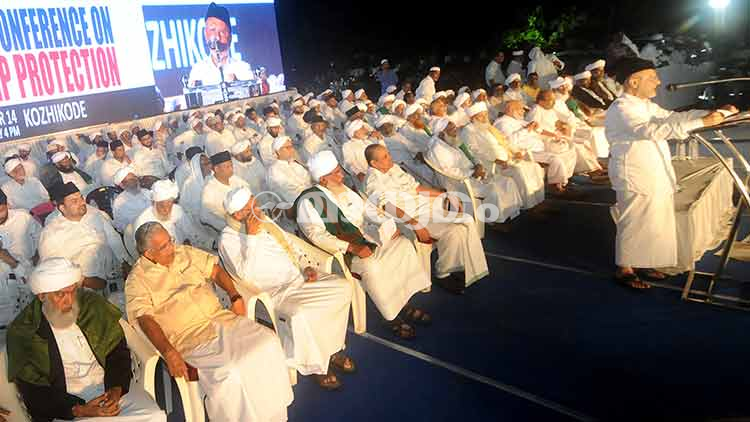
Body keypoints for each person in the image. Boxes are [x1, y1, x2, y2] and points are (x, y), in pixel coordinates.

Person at [125, 222, 293, 421]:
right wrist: (169, 352)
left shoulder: (184, 252)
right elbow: (144, 319)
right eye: (164, 246)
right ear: (148, 254)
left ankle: (273, 414)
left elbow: (215, 271)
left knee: (268, 342)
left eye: (170, 240)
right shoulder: (137, 280)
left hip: (221, 320)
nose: (171, 247)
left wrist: (235, 296)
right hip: (189, 338)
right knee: (230, 373)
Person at [605, 57, 730, 289]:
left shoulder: (646, 106)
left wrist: (710, 113)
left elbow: (672, 118)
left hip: (654, 170)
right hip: (635, 173)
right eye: (652, 78)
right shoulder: (621, 108)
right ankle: (625, 268)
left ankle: (644, 261)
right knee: (634, 221)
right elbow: (651, 130)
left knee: (654, 221)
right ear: (633, 82)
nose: (658, 82)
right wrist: (701, 122)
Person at [219, 186, 355, 390]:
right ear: (237, 215)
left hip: (299, 278)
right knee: (301, 314)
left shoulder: (264, 219)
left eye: (255, 203)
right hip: (275, 291)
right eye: (250, 209)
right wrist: (252, 237)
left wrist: (305, 265)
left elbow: (290, 244)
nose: (257, 210)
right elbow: (244, 275)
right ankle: (316, 367)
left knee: (343, 287)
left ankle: (332, 349)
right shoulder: (227, 239)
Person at [7, 258, 166, 422]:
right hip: (66, 405)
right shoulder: (24, 330)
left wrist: (116, 388)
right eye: (60, 294)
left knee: (154, 416)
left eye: (72, 291)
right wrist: (78, 410)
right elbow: (32, 390)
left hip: (108, 388)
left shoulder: (92, 305)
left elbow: (117, 351)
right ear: (41, 296)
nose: (69, 300)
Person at [296, 151, 432, 339]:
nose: (341, 175)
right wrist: (351, 248)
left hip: (366, 237)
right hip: (342, 251)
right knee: (372, 267)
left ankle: (402, 303)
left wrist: (387, 224)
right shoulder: (310, 200)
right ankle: (391, 317)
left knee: (403, 245)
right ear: (323, 179)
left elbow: (367, 210)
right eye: (336, 172)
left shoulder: (343, 188)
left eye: (339, 170)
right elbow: (316, 235)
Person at [364, 144, 488, 294]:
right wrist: (414, 223)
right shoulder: (373, 179)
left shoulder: (394, 168)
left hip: (426, 208)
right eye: (385, 157)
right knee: (455, 229)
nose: (390, 158)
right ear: (374, 163)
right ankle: (443, 274)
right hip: (409, 218)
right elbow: (386, 206)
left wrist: (446, 194)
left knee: (464, 223)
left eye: (388, 154)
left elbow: (416, 188)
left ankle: (448, 268)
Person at [426, 118, 523, 226]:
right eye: (452, 130)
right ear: (441, 133)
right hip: (459, 182)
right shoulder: (437, 149)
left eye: (455, 128)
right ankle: (495, 221)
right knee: (493, 190)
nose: (456, 131)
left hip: (473, 173)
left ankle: (510, 214)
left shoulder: (451, 140)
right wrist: (472, 173)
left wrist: (478, 165)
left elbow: (470, 155)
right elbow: (448, 171)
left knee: (508, 182)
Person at [39, 182, 129, 291]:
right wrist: (84, 281)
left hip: (113, 277)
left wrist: (125, 263)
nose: (82, 203)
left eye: (81, 198)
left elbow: (114, 240)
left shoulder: (95, 216)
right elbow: (51, 268)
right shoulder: (51, 233)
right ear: (62, 208)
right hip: (84, 287)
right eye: (74, 201)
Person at [460, 102, 545, 210]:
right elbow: (474, 152)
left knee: (534, 167)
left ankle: (536, 199)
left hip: (507, 158)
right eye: (481, 116)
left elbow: (505, 141)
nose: (485, 118)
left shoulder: (488, 127)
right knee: (518, 171)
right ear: (473, 118)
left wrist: (516, 151)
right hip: (491, 164)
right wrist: (495, 160)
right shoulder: (468, 131)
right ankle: (527, 204)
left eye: (486, 114)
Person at [495, 100, 577, 193]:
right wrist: (526, 129)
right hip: (525, 152)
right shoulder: (502, 123)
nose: (523, 111)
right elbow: (510, 142)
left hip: (539, 147)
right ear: (511, 109)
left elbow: (540, 130)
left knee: (567, 149)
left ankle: (563, 180)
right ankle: (555, 186)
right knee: (555, 159)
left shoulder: (518, 120)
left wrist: (554, 135)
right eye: (520, 109)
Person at [527, 90, 604, 177]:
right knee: (576, 147)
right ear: (541, 101)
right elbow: (534, 128)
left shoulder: (549, 109)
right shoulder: (536, 110)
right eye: (551, 100)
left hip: (557, 136)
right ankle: (591, 171)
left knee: (583, 144)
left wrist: (562, 126)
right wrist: (553, 134)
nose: (554, 103)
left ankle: (594, 167)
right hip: (545, 140)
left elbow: (557, 122)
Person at [131, 180, 213, 255]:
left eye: (169, 204)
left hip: (185, 250)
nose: (166, 209)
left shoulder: (177, 210)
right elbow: (146, 255)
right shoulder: (142, 222)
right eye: (162, 205)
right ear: (154, 203)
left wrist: (210, 243)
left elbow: (192, 231)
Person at [188, 2, 254, 87]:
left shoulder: (242, 68)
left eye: (222, 32)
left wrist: (237, 84)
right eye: (212, 30)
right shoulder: (198, 71)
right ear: (205, 33)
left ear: (230, 36)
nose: (217, 37)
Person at [200, 151, 249, 233]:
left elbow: (247, 191)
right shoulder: (209, 191)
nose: (231, 169)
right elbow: (208, 217)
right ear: (216, 169)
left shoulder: (234, 178)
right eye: (227, 166)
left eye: (231, 165)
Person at [0, 189, 42, 283]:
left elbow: (41, 235)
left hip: (29, 269)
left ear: (7, 205)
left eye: (1, 210)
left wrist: (37, 254)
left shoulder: (22, 217)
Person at [267, 136, 313, 208]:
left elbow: (308, 179)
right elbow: (290, 193)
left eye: (291, 146)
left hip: (310, 197)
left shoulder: (293, 163)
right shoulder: (274, 171)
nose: (291, 150)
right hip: (297, 206)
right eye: (287, 147)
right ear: (278, 151)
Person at [341, 119, 383, 184]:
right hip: (366, 179)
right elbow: (347, 163)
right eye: (362, 128)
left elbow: (382, 152)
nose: (365, 130)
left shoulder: (368, 141)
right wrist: (358, 172)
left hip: (380, 173)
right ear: (354, 132)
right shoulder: (347, 145)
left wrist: (379, 138)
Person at [111, 166, 152, 233]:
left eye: (135, 178)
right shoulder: (119, 202)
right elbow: (120, 225)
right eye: (130, 180)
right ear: (122, 185)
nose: (135, 181)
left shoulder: (146, 192)